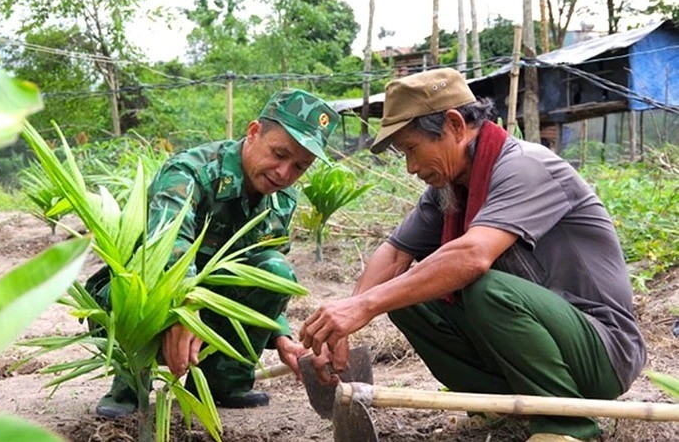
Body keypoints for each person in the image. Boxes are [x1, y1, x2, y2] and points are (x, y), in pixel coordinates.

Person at [298, 68, 646, 442]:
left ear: (454, 126)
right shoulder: (449, 188)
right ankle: (496, 408)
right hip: (538, 344)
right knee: (399, 296)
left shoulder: (525, 167)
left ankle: (565, 426)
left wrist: (364, 306)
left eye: (412, 150)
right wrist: (347, 321)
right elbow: (396, 254)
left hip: (603, 351)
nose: (411, 168)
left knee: (486, 289)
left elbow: (473, 256)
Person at [87, 88, 340, 418]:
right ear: (253, 132)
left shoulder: (281, 202)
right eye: (279, 154)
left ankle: (224, 383)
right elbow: (167, 249)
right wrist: (185, 310)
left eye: (299, 167)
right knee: (137, 284)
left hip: (210, 306)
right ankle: (129, 382)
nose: (284, 173)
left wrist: (282, 339)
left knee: (277, 270)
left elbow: (265, 277)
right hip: (148, 295)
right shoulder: (189, 173)